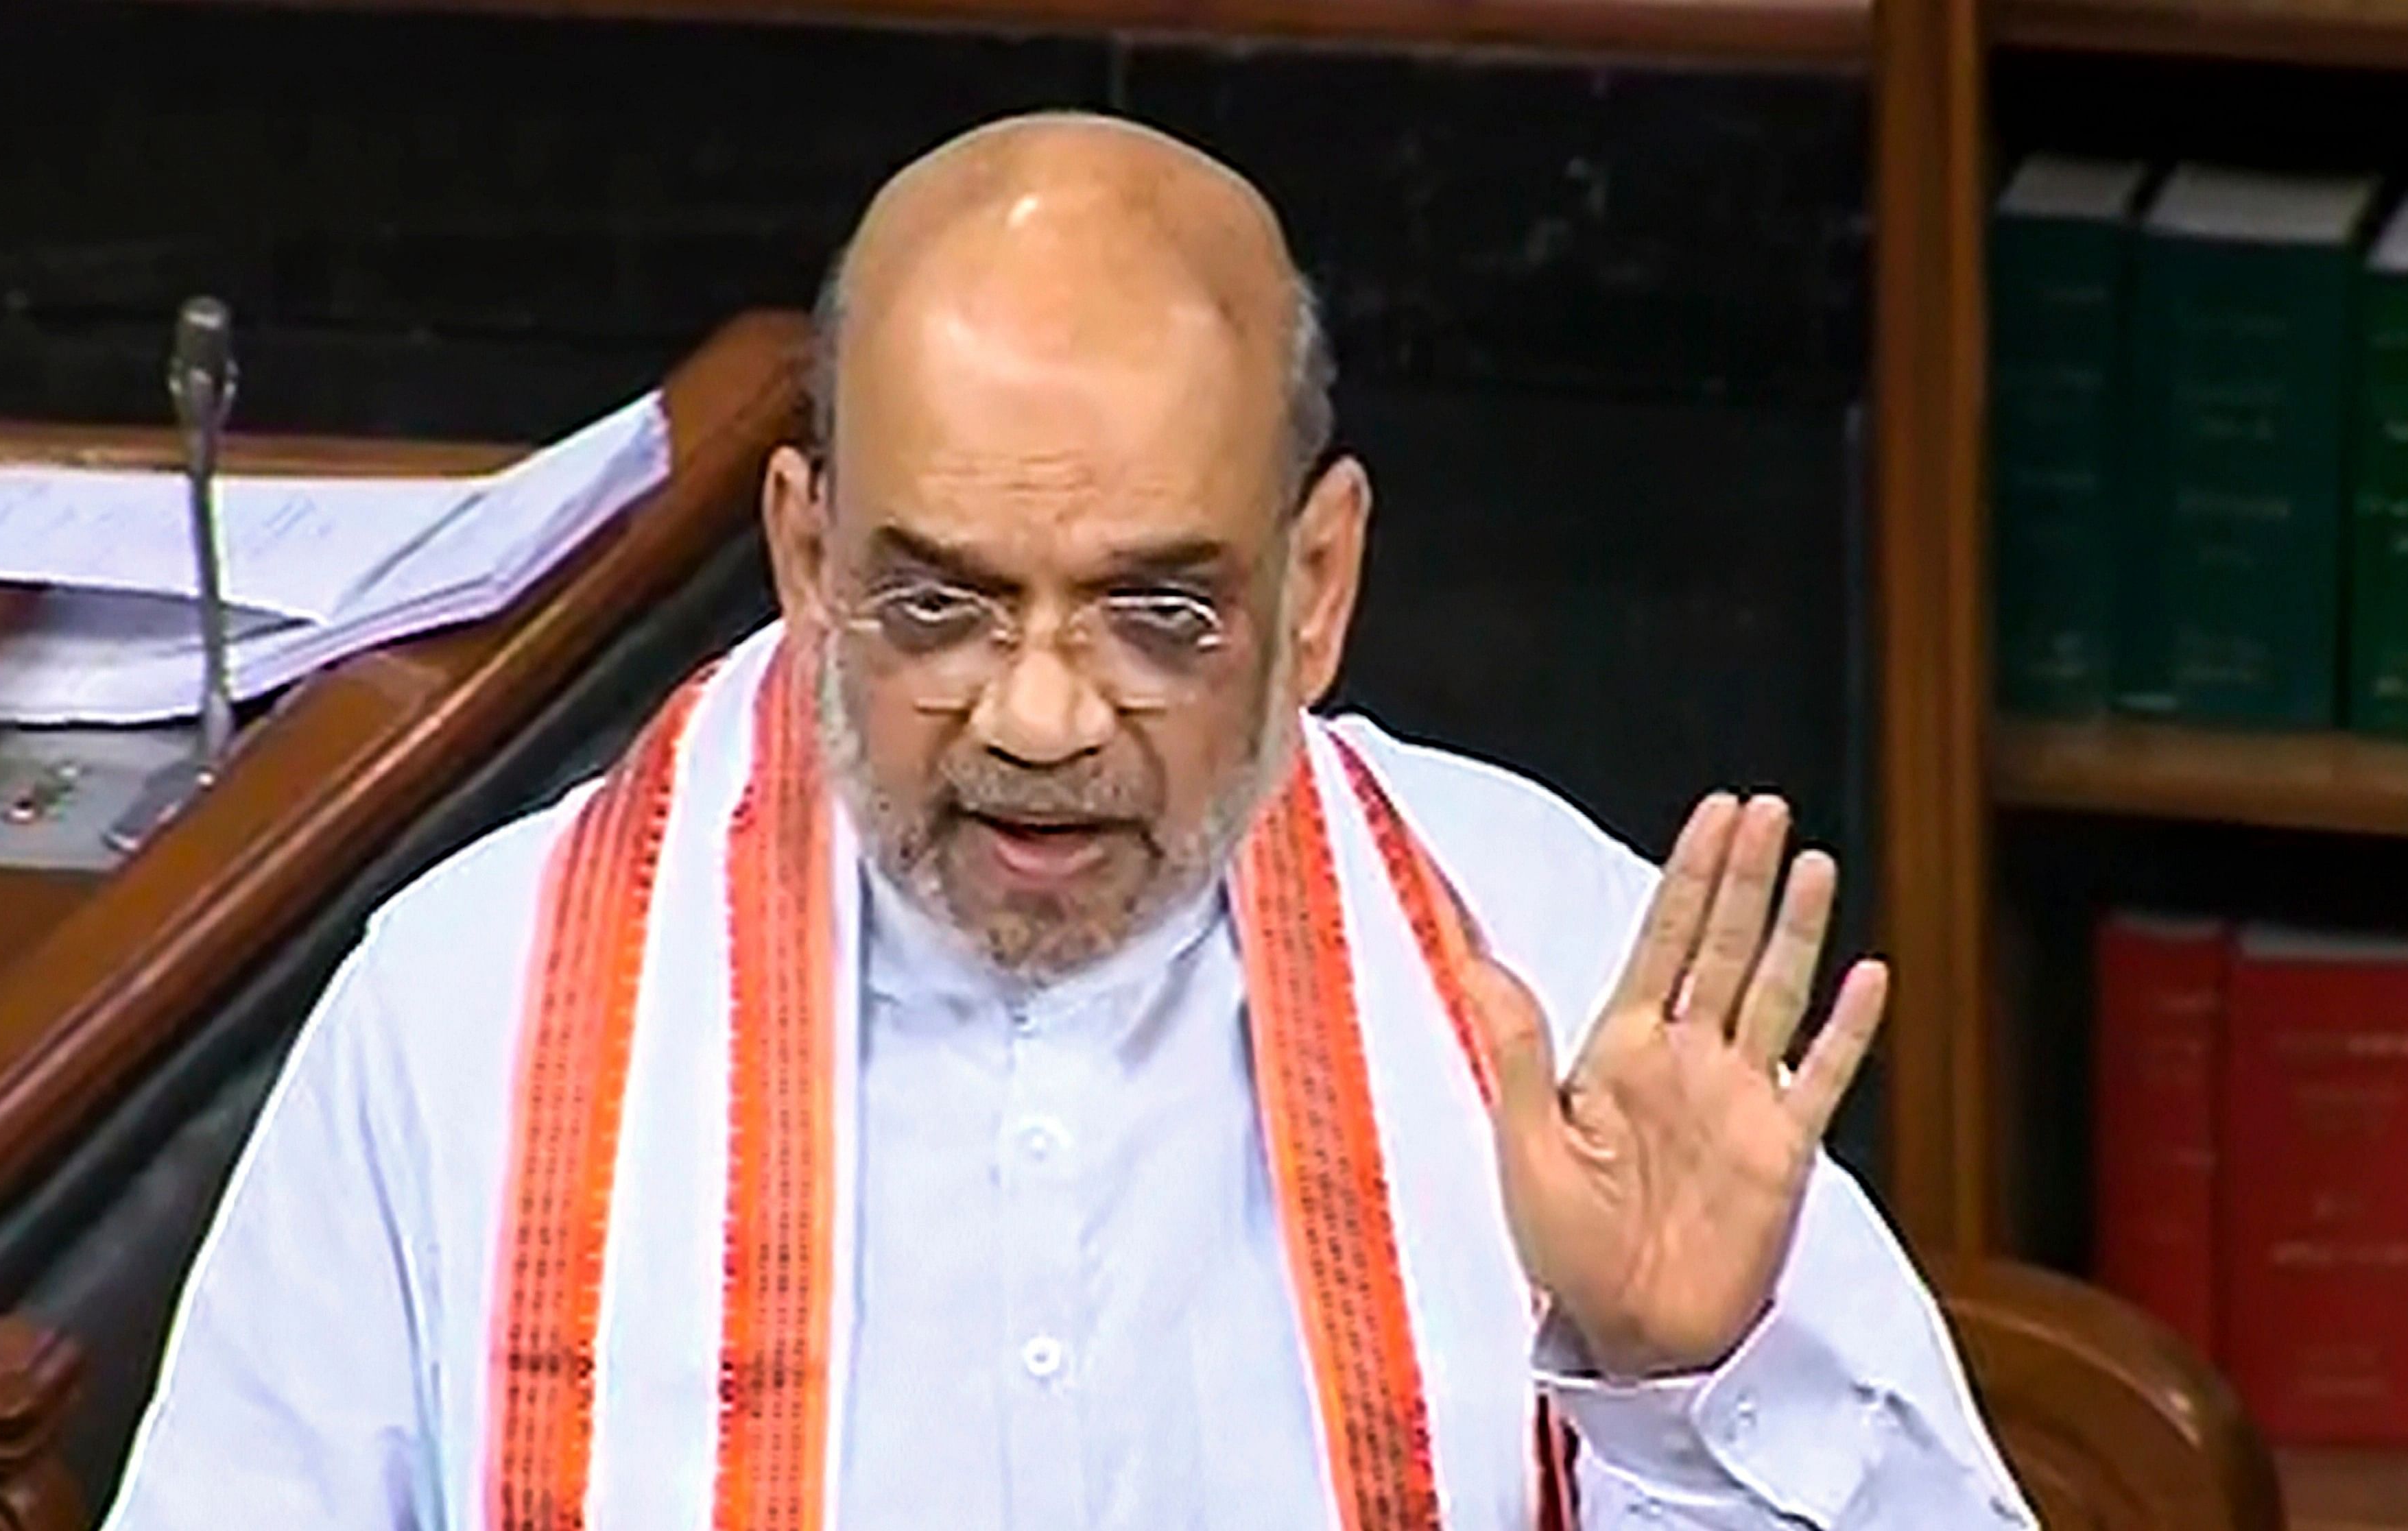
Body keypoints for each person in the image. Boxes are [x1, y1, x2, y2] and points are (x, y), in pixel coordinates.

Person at [102, 111, 2031, 1530]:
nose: (1036, 719)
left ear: (1323, 585)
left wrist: (1679, 1385)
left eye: (1155, 612)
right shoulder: (464, 1019)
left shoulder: (1567, 979)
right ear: (800, 553)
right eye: (938, 600)